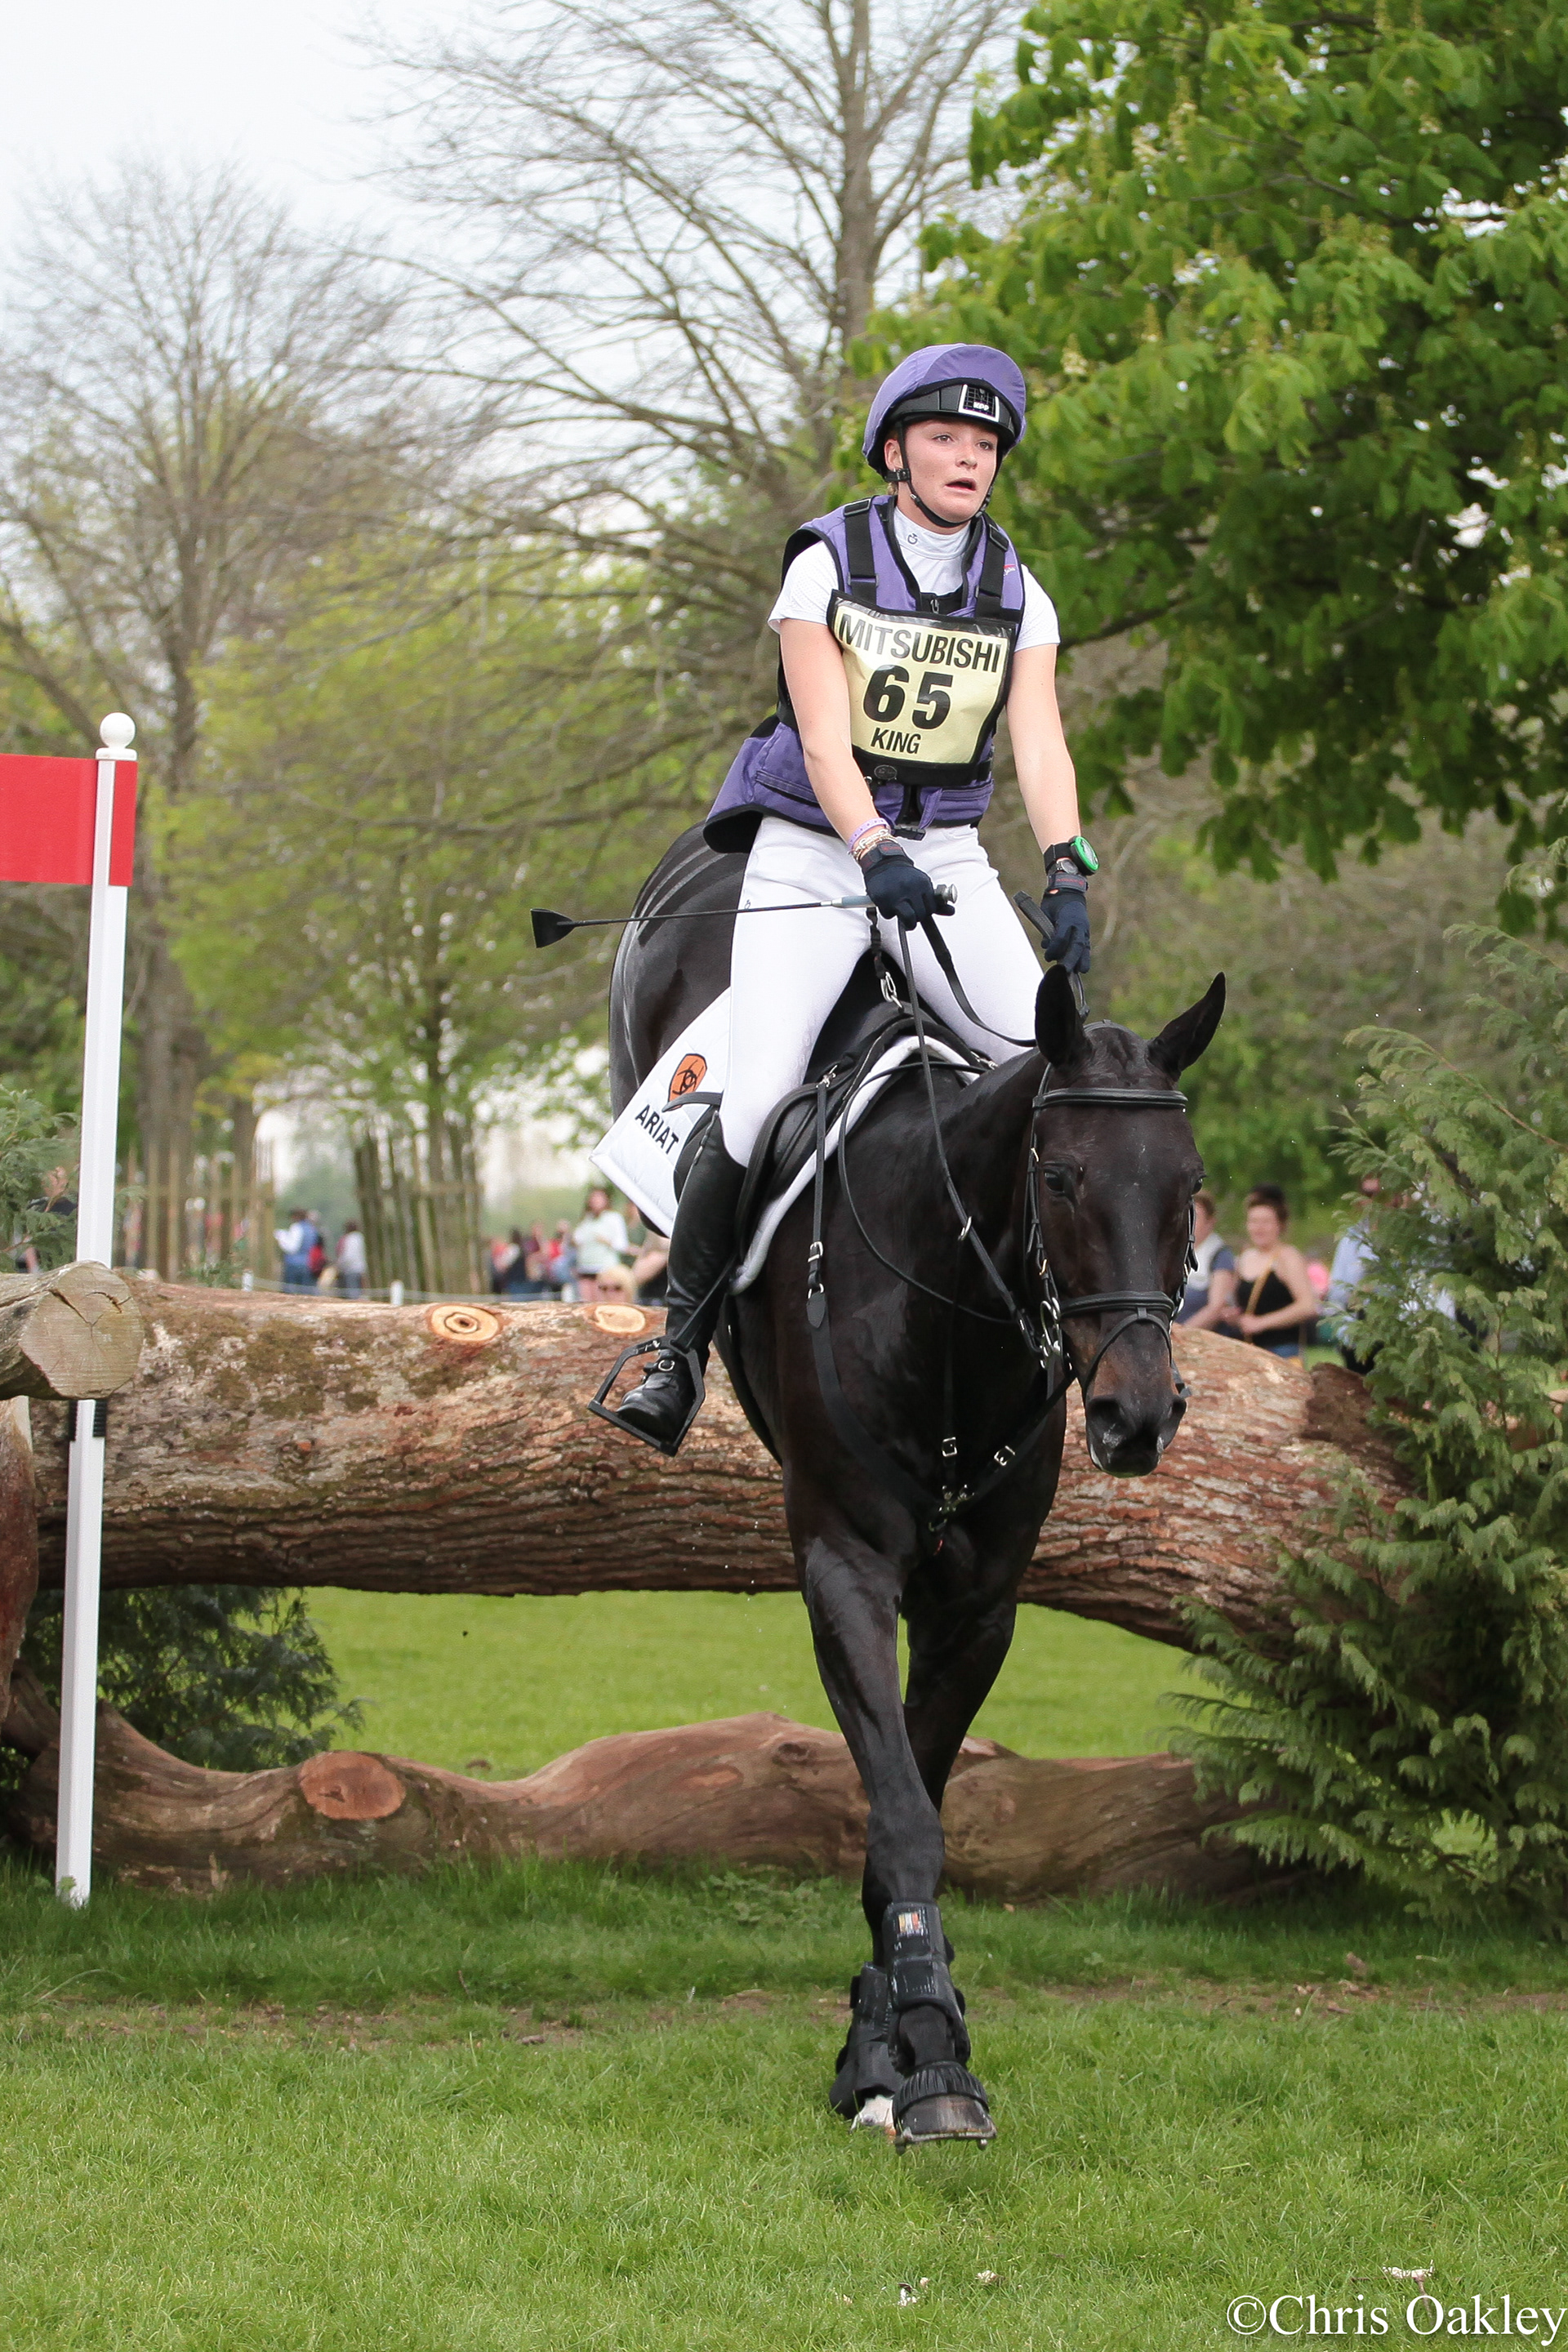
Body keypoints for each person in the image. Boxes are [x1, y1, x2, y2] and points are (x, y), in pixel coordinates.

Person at [601, 344, 1091, 1454]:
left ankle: (1066, 1336)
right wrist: (871, 846)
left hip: (947, 857)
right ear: (894, 454)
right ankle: (677, 1354)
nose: (968, 458)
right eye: (944, 439)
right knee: (759, 1099)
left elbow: (1040, 742)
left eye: (984, 444)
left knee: (1051, 1076)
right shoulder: (825, 564)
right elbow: (824, 740)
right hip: (820, 854)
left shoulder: (1019, 591)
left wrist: (1066, 866)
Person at [1223, 1185, 1321, 1358]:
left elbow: (1308, 1306)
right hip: (1248, 1350)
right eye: (1253, 1222)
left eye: (1266, 1222)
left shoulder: (1288, 1256)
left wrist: (1262, 1323)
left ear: (1279, 1225)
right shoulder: (1244, 1257)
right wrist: (1233, 1316)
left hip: (1282, 1350)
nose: (1259, 1228)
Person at [1175, 1192, 1236, 1332]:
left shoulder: (1220, 1255)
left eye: (1195, 1217)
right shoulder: (1173, 1251)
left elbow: (1216, 1307)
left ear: (1210, 1223)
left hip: (1197, 1336)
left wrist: (1181, 1332)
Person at [573, 1186, 631, 1302]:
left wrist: (606, 1241)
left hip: (605, 1270)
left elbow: (622, 1245)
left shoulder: (614, 1218)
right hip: (586, 1269)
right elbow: (577, 1239)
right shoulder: (587, 1220)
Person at [274, 1208, 319, 1292]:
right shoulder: (311, 1228)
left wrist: (281, 1238)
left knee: (290, 1291)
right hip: (307, 1263)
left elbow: (292, 1248)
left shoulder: (296, 1227)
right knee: (304, 1292)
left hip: (293, 1263)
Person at [336, 1220, 368, 1298]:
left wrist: (340, 1265)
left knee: (352, 1293)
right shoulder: (361, 1237)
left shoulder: (349, 1238)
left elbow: (348, 1256)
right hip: (361, 1268)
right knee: (360, 1292)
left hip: (351, 1269)